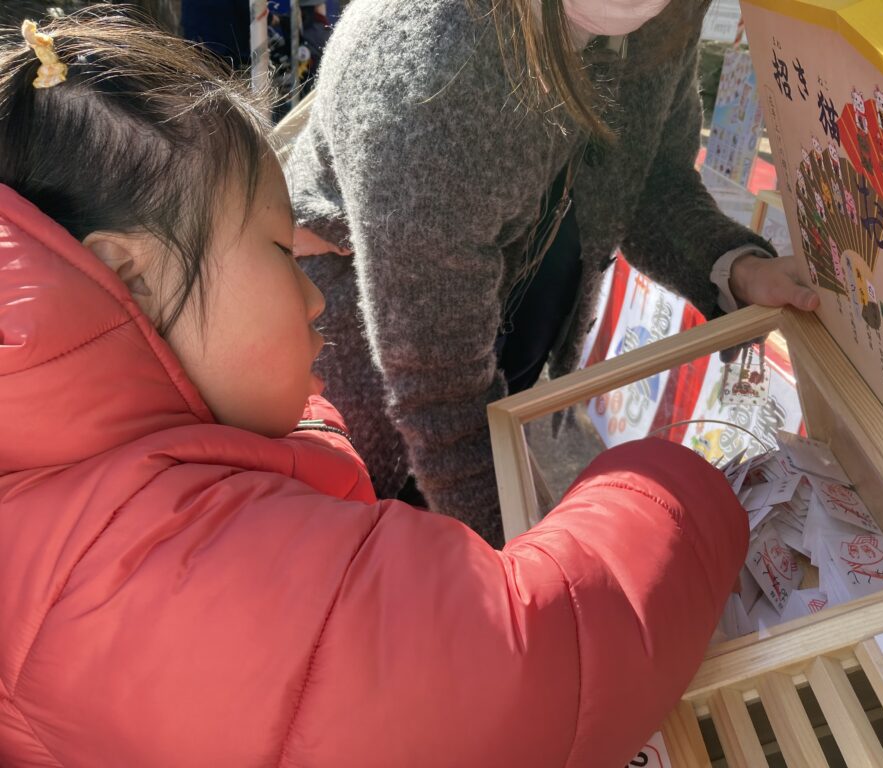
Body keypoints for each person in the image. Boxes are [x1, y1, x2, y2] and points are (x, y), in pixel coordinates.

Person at [1, 12, 749, 766]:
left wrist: (731, 263)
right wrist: (667, 483)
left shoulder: (87, 497)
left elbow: (650, 175)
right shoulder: (177, 569)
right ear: (131, 276)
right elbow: (525, 671)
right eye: (281, 250)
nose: (315, 295)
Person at [287, 0, 821, 547]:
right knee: (374, 555)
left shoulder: (663, 14)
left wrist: (735, 265)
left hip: (496, 359)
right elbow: (441, 395)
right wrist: (523, 557)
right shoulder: (436, 61)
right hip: (368, 394)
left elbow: (652, 181)